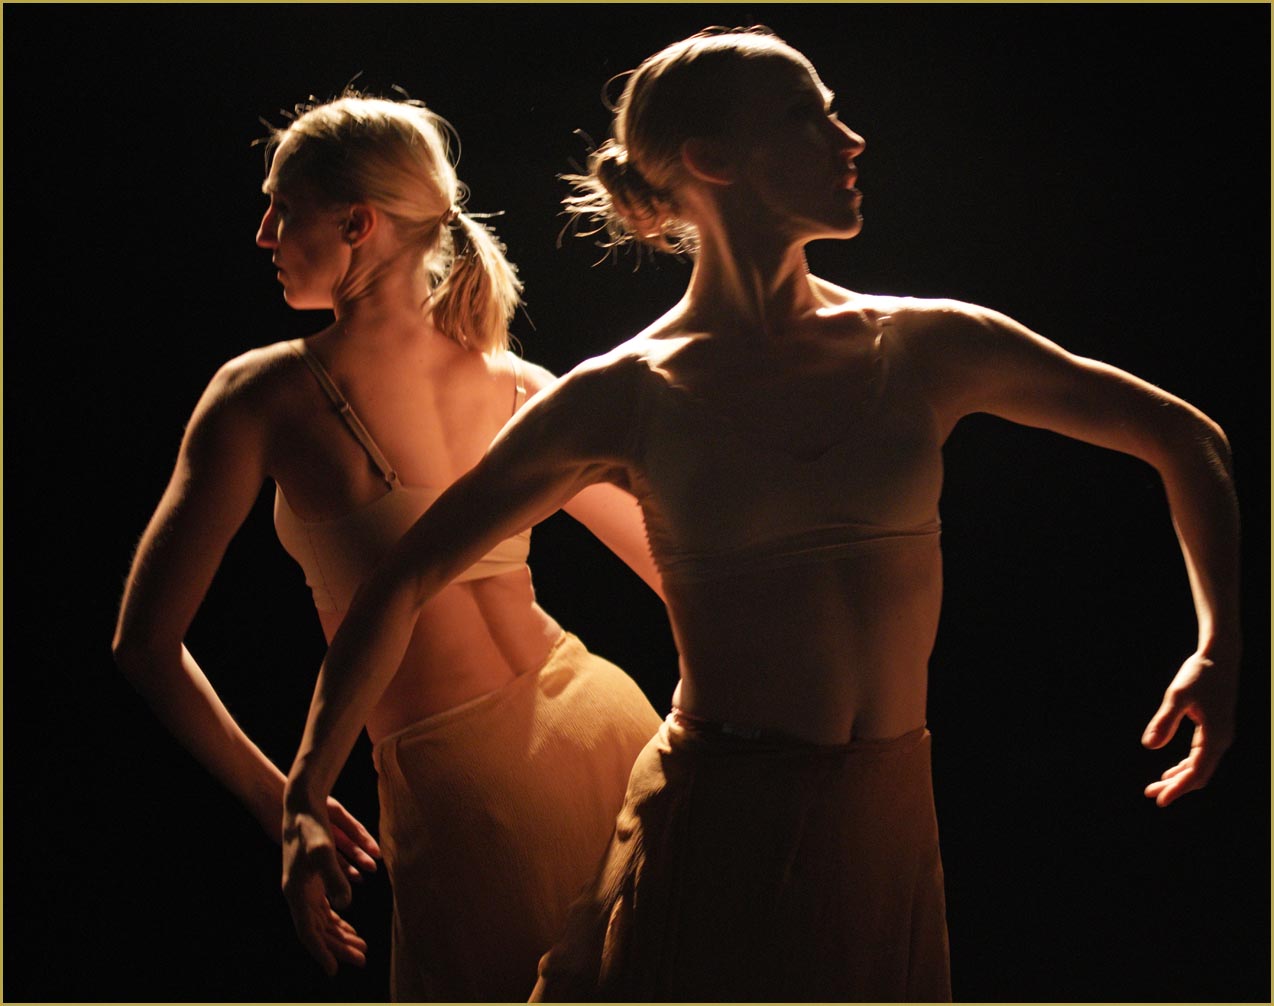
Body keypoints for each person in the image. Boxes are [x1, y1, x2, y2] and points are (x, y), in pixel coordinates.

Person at [279, 28, 1241, 1003]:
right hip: (719, 823)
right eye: (805, 116)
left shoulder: (922, 344)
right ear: (710, 160)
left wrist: (1219, 644)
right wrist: (307, 792)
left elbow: (1186, 438)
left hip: (887, 814)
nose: (850, 140)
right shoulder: (624, 393)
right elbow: (401, 577)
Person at [111, 91, 665, 1002]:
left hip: (471, 793)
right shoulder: (523, 385)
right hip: (606, 721)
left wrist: (286, 801)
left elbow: (143, 644)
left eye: (281, 209)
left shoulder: (264, 395)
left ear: (356, 224)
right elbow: (681, 572)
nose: (263, 235)